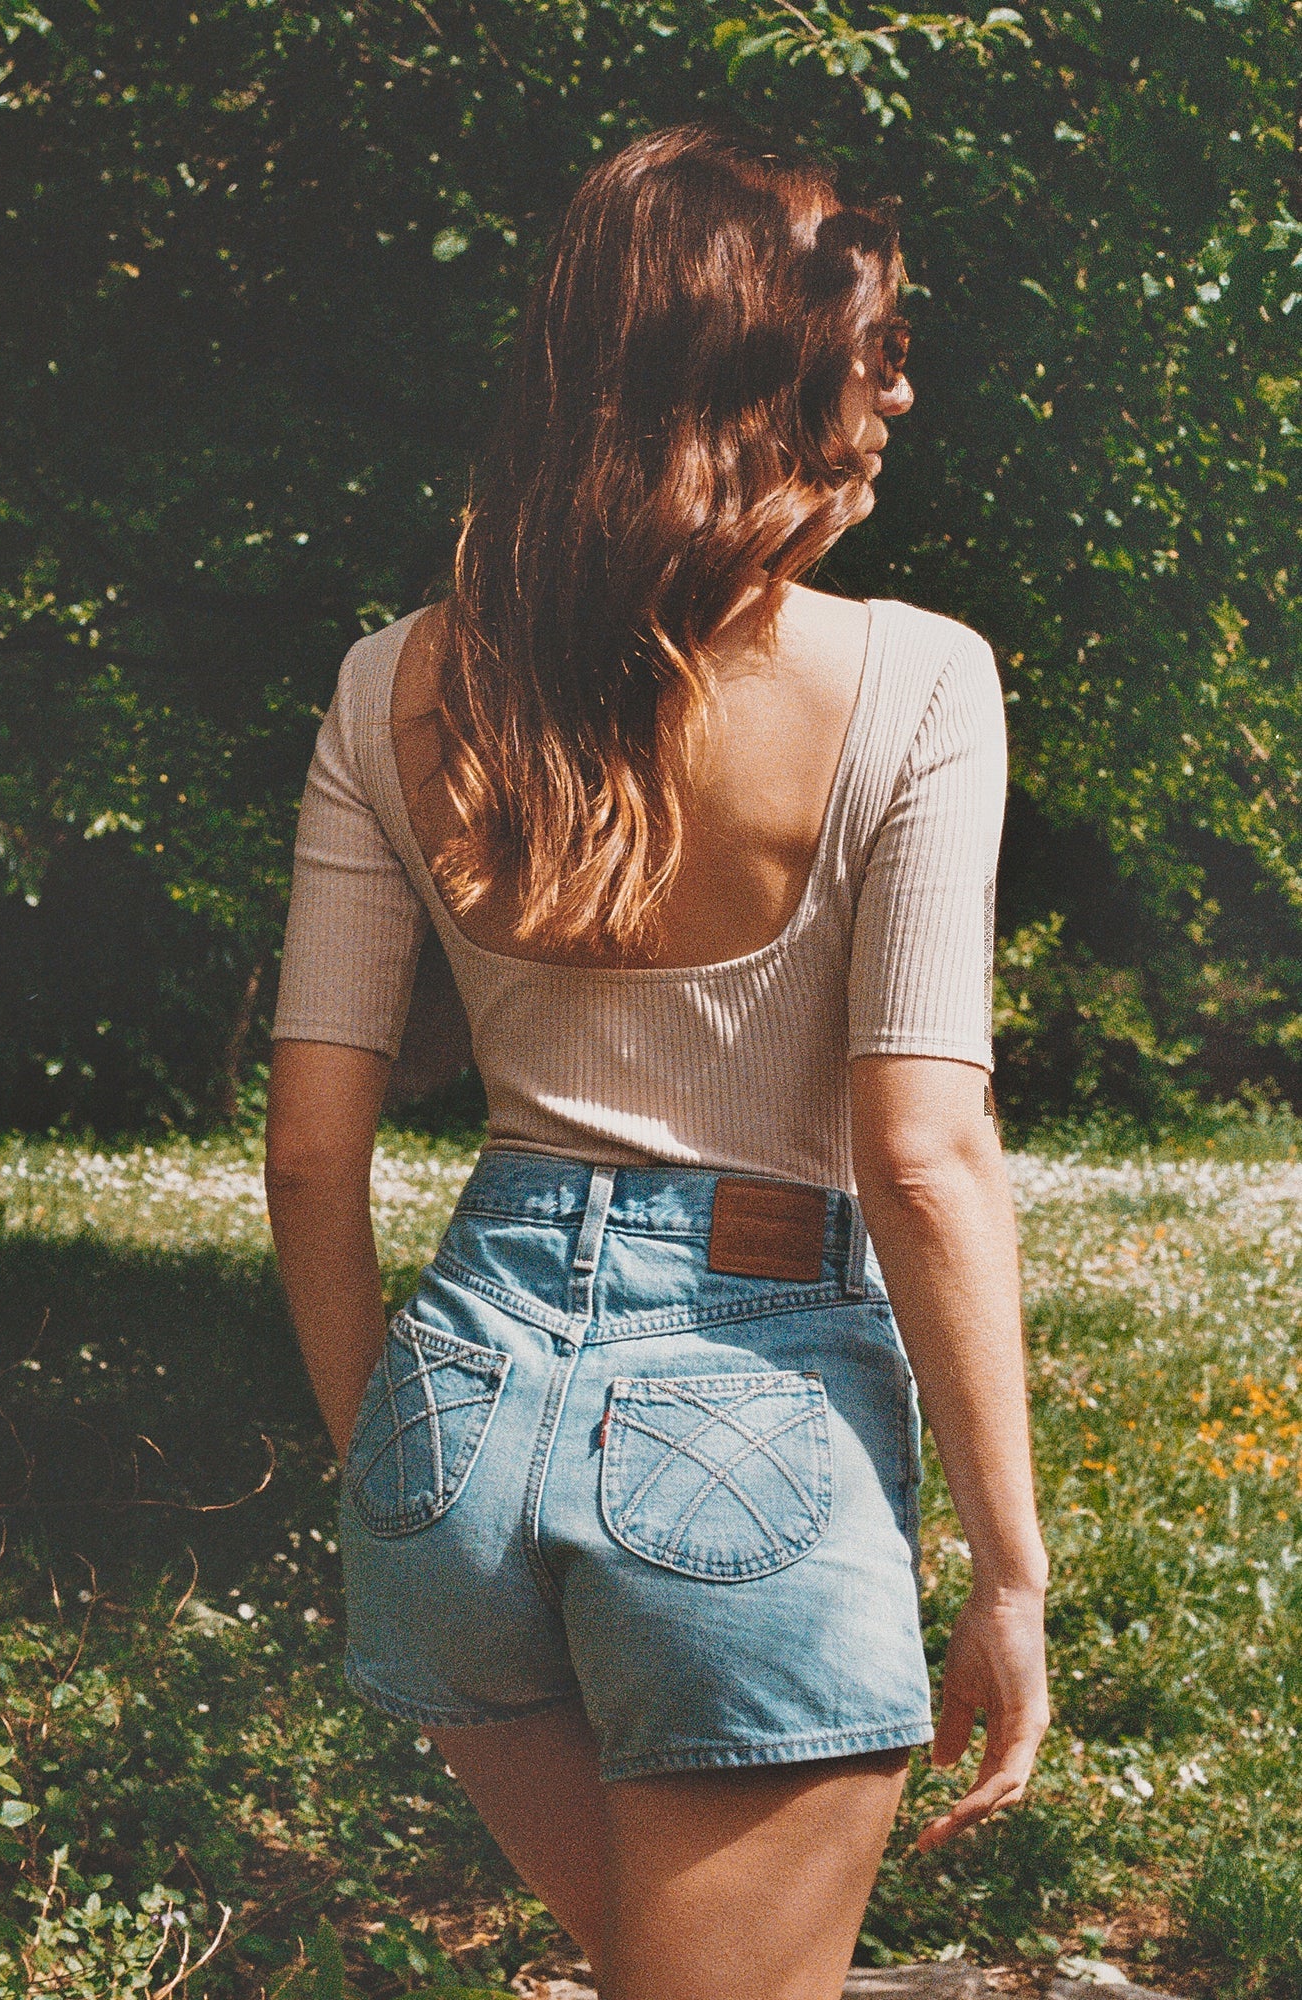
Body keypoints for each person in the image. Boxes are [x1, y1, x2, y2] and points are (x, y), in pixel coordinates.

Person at [266, 124, 1049, 2000]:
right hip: (749, 1419)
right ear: (764, 360)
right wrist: (1010, 1571)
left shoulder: (389, 682)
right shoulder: (920, 680)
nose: (901, 389)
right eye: (877, 345)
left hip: (452, 1401)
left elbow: (306, 1153)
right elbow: (922, 1155)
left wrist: (396, 1463)